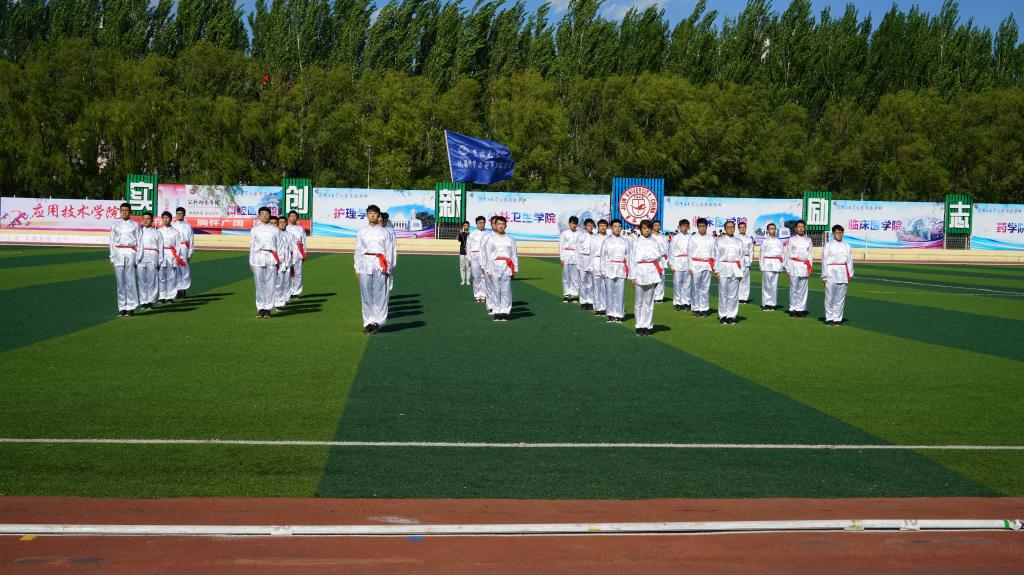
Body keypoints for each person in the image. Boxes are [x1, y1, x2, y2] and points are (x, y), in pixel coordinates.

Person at [354, 204, 394, 333]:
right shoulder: (361, 232)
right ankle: (368, 322)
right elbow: (358, 250)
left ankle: (377, 321)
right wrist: (357, 268)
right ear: (367, 215)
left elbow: (390, 250)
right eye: (370, 213)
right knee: (366, 294)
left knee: (380, 294)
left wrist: (389, 268)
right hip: (365, 264)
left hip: (380, 264)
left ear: (379, 216)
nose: (372, 215)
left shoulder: (385, 232)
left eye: (375, 213)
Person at [629, 219, 662, 336]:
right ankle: (639, 325)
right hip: (639, 271)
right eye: (644, 228)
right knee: (639, 302)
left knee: (649, 302)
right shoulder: (636, 242)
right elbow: (632, 260)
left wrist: (659, 276)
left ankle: (647, 325)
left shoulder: (655, 242)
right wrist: (633, 276)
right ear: (640, 229)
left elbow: (659, 260)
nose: (647, 230)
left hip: (652, 271)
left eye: (648, 228)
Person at [483, 215, 518, 321]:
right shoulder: (490, 240)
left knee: (506, 290)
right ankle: (496, 311)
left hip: (507, 265)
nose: (501, 226)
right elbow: (488, 256)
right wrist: (488, 269)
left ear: (506, 225)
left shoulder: (510, 239)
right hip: (494, 265)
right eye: (499, 224)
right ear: (495, 225)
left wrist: (515, 269)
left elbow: (514, 255)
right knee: (496, 290)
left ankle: (505, 311)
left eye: (503, 224)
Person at [109, 202, 141, 317]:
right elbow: (112, 241)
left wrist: (138, 257)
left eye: (127, 210)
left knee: (130, 281)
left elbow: (140, 242)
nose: (124, 212)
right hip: (118, 252)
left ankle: (130, 307)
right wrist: (112, 257)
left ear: (130, 212)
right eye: (122, 210)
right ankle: (122, 307)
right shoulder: (115, 225)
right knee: (120, 282)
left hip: (131, 252)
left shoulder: (135, 225)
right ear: (120, 211)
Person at [250, 207, 280, 318]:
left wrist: (280, 261)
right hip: (258, 257)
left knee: (270, 284)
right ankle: (260, 308)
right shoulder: (254, 230)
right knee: (259, 284)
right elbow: (252, 246)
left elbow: (279, 246)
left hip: (271, 257)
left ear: (270, 215)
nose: (264, 215)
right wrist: (251, 261)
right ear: (259, 216)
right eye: (262, 213)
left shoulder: (275, 230)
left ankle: (268, 308)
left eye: (266, 213)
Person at [822, 224, 854, 325]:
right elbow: (824, 260)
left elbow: (850, 260)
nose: (839, 234)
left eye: (841, 232)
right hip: (831, 271)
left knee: (840, 297)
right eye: (837, 232)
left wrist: (850, 274)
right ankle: (829, 318)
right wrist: (824, 275)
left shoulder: (847, 246)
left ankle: (837, 318)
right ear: (833, 233)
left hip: (843, 272)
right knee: (830, 297)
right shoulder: (828, 245)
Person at [599, 219, 630, 324]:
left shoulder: (625, 241)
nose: (617, 228)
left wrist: (628, 270)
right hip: (609, 267)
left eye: (619, 226)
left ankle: (619, 314)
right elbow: (603, 257)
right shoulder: (607, 241)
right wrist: (603, 270)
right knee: (609, 292)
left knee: (620, 292)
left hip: (621, 268)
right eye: (615, 226)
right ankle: (610, 314)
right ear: (611, 228)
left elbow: (628, 257)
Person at [713, 220, 744, 325]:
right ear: (725, 228)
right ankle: (723, 315)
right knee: (723, 293)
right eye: (729, 227)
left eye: (732, 227)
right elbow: (716, 257)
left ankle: (731, 316)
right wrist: (716, 271)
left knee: (733, 294)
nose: (731, 229)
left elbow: (741, 257)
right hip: (723, 266)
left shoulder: (739, 242)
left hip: (735, 267)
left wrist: (741, 271)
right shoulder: (719, 241)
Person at [785, 220, 814, 318]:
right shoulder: (792, 240)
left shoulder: (808, 240)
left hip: (804, 266)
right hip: (794, 265)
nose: (801, 228)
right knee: (794, 288)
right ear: (795, 229)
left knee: (803, 289)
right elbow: (788, 254)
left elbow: (810, 255)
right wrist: (788, 268)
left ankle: (801, 309)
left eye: (802, 227)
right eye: (799, 227)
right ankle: (793, 308)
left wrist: (810, 267)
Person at [687, 218, 715, 317]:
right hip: (695, 264)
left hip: (707, 264)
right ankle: (695, 308)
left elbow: (713, 253)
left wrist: (712, 267)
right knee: (695, 287)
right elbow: (689, 252)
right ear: (697, 227)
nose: (702, 228)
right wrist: (690, 267)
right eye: (700, 226)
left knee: (705, 288)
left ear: (706, 227)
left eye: (704, 226)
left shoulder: (711, 238)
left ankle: (704, 308)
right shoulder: (693, 238)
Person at [157, 211, 186, 304]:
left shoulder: (175, 232)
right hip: (161, 253)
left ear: (170, 219)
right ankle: (162, 296)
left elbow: (178, 246)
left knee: (171, 276)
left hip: (171, 254)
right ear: (162, 219)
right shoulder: (158, 231)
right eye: (164, 218)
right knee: (161, 276)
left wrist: (176, 258)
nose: (166, 219)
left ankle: (171, 296)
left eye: (167, 218)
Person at [137, 212, 162, 310]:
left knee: (152, 280)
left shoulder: (157, 232)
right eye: (144, 219)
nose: (146, 221)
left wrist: (160, 260)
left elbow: (161, 247)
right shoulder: (138, 232)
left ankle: (150, 301)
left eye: (148, 219)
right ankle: (143, 301)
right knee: (142, 281)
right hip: (141, 256)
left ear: (152, 220)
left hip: (153, 256)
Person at [759, 222, 785, 311]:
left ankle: (773, 304)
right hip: (767, 263)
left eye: (774, 228)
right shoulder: (765, 241)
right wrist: (761, 266)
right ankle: (766, 303)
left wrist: (781, 266)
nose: (773, 230)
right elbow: (761, 254)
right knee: (766, 285)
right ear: (768, 230)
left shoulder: (779, 241)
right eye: (771, 229)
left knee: (774, 285)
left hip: (776, 264)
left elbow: (782, 254)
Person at [274, 216, 297, 311]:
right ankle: (277, 302)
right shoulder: (275, 235)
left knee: (286, 282)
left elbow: (294, 249)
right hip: (277, 262)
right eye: (280, 222)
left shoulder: (290, 235)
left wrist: (293, 262)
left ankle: (284, 299)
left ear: (287, 223)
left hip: (287, 262)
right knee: (277, 283)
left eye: (284, 222)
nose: (282, 224)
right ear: (278, 223)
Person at [171, 207, 194, 298]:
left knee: (184, 269)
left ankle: (183, 289)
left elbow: (191, 240)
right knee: (175, 269)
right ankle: (177, 289)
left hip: (184, 248)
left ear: (184, 214)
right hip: (174, 249)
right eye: (178, 213)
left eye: (181, 213)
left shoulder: (188, 226)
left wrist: (190, 253)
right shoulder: (172, 225)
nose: (179, 215)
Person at [670, 219, 692, 311]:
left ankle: (686, 302)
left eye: (686, 226)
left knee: (687, 284)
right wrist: (672, 265)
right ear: (679, 227)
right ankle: (677, 302)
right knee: (677, 283)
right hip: (677, 261)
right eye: (682, 226)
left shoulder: (691, 237)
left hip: (688, 261)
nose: (684, 228)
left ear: (688, 227)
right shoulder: (675, 238)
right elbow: (671, 251)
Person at [285, 210, 308, 297]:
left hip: (298, 251)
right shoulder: (285, 228)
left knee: (297, 273)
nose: (293, 217)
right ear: (288, 218)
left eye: (295, 216)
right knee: (288, 272)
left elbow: (303, 241)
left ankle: (296, 291)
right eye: (291, 216)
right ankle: (288, 290)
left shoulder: (300, 229)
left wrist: (304, 253)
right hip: (287, 251)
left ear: (297, 218)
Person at [559, 216, 581, 303]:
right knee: (566, 277)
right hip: (566, 255)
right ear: (569, 224)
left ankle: (575, 295)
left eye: (575, 223)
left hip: (576, 255)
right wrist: (561, 258)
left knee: (575, 277)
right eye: (572, 223)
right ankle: (566, 294)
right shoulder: (564, 233)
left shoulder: (579, 234)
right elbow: (561, 246)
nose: (574, 225)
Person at [591, 219, 609, 316]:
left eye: (604, 225)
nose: (602, 227)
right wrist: (591, 266)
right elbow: (591, 252)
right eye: (601, 225)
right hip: (596, 261)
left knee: (605, 287)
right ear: (598, 227)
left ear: (607, 227)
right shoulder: (594, 238)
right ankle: (597, 307)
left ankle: (605, 307)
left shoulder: (609, 238)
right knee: (596, 286)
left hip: (606, 263)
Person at [577, 218, 596, 311]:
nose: (590, 227)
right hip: (583, 258)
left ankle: (590, 301)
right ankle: (583, 301)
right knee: (583, 281)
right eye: (588, 225)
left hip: (592, 259)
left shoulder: (595, 236)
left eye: (592, 225)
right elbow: (577, 250)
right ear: (585, 226)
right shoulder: (581, 236)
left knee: (591, 282)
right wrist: (578, 264)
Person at [467, 216, 487, 303]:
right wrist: (469, 258)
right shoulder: (472, 234)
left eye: (482, 223)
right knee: (476, 276)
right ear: (476, 224)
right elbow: (468, 246)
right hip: (474, 256)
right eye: (479, 223)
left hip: (485, 257)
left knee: (484, 276)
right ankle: (477, 295)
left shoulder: (488, 234)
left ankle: (484, 295)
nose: (481, 224)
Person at [737, 221, 754, 304]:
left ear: (746, 228)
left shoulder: (749, 239)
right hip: (737, 260)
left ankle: (744, 298)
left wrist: (750, 261)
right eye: (741, 227)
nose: (742, 229)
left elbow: (751, 251)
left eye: (744, 227)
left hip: (746, 260)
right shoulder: (735, 238)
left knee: (745, 280)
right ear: (738, 228)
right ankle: (738, 297)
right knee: (737, 279)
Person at [651, 220, 668, 303]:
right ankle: (652, 296)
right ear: (652, 226)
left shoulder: (663, 237)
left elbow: (667, 249)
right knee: (652, 278)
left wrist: (666, 259)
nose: (657, 226)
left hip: (661, 259)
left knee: (661, 279)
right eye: (655, 225)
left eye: (658, 225)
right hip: (652, 260)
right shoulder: (650, 236)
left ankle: (659, 297)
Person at [456, 221, 471, 286]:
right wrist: (459, 233)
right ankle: (463, 280)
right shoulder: (461, 233)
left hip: (469, 252)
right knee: (462, 266)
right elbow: (458, 239)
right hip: (462, 252)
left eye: (466, 225)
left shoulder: (471, 234)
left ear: (468, 226)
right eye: (464, 225)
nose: (465, 226)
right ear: (463, 226)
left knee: (468, 267)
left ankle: (467, 280)